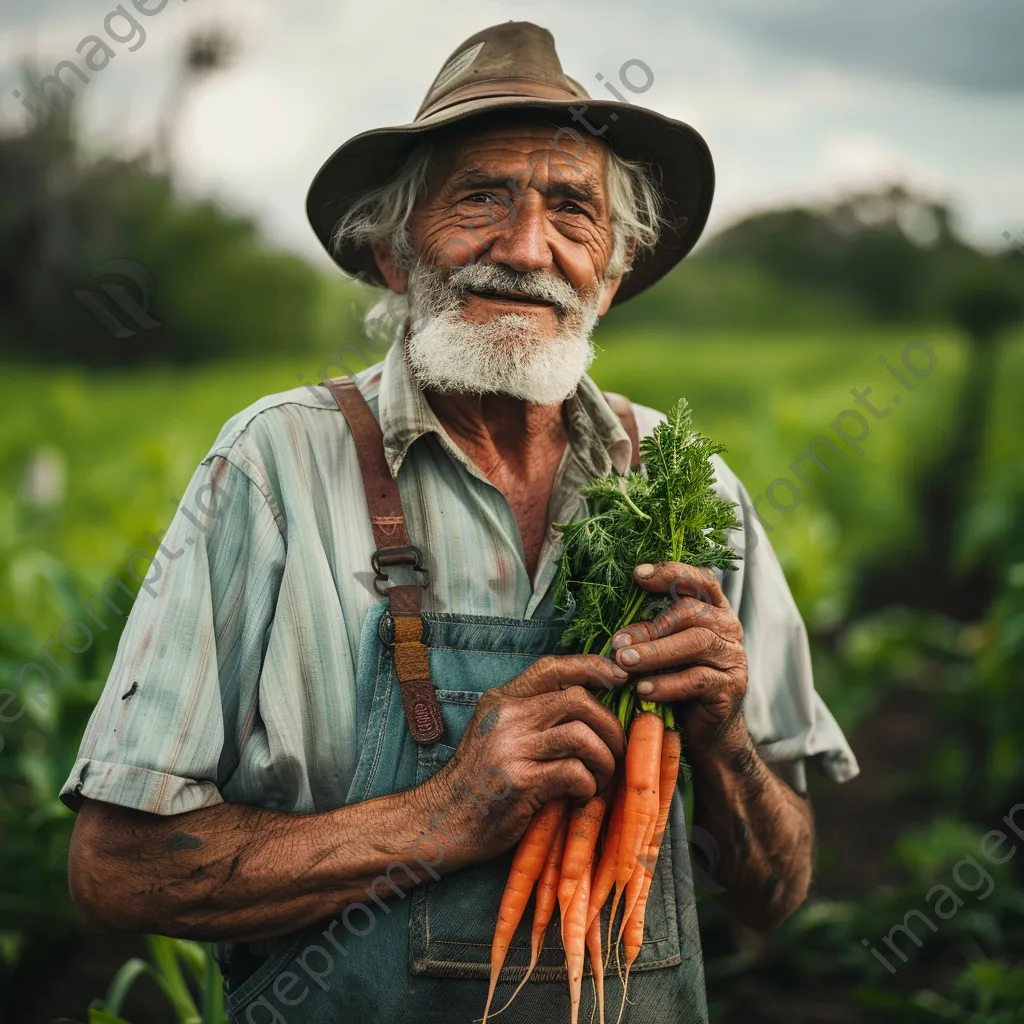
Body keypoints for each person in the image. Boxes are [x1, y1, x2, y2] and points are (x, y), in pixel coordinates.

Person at [63, 21, 858, 1024]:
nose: (525, 248)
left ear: (607, 277)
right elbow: (117, 869)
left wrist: (720, 736)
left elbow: (776, 892)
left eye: (572, 210)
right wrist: (439, 816)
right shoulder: (273, 467)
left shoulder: (686, 485)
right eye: (481, 196)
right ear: (395, 255)